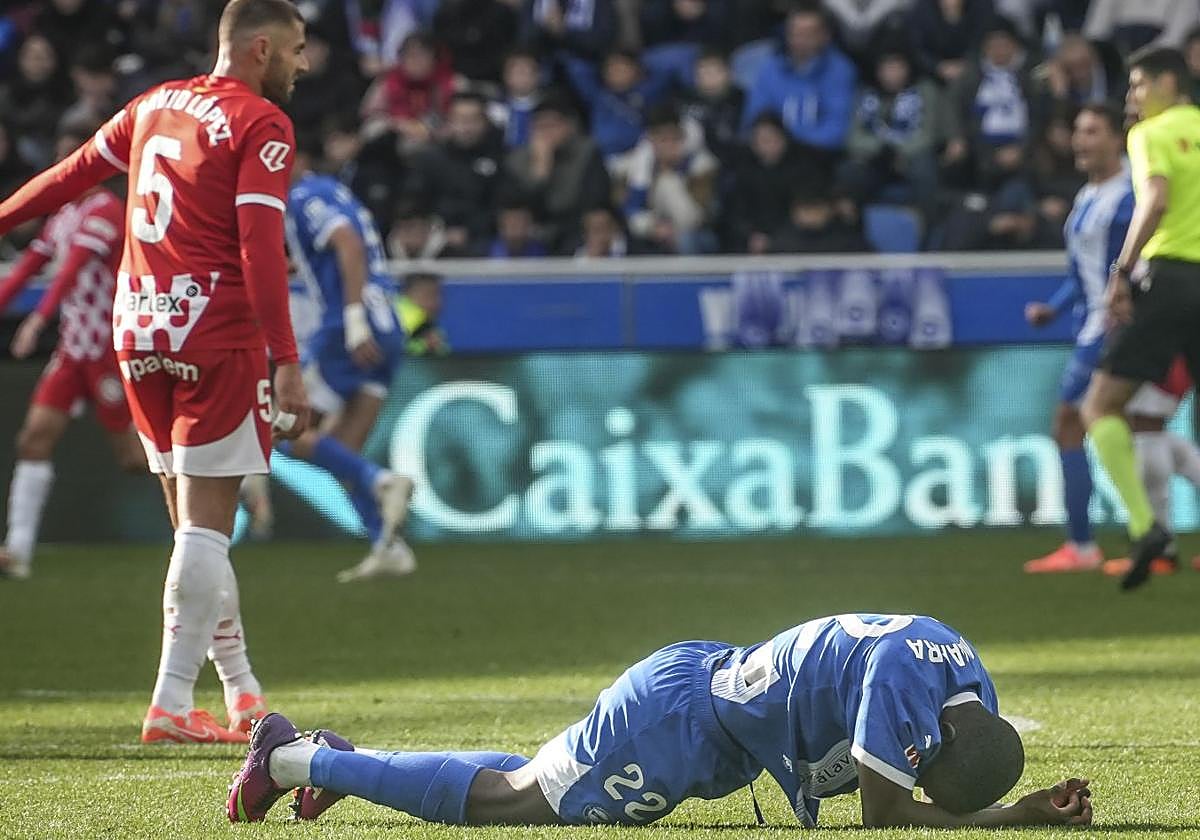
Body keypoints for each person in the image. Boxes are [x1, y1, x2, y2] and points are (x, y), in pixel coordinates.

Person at [0, 0, 313, 743]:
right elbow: (258, 247)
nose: (303, 64)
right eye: (297, 49)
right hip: (216, 333)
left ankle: (241, 691)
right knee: (207, 531)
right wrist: (287, 358)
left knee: (193, 532)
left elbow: (67, 177)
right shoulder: (261, 122)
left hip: (139, 328)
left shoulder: (153, 104)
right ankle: (171, 702)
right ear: (260, 48)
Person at [228, 613, 1094, 829]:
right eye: (921, 759)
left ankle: (345, 758)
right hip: (678, 727)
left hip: (705, 705)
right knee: (510, 803)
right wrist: (1012, 818)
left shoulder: (959, 670)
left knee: (539, 777)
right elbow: (886, 815)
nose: (911, 761)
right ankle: (296, 760)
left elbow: (922, 776)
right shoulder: (906, 694)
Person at [0, 121, 142, 581]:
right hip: (72, 350)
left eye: (71, 159)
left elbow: (73, 269)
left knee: (133, 458)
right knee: (34, 438)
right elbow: (28, 266)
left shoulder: (106, 210)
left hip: (108, 350)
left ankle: (218, 482)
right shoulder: (63, 215)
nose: (63, 168)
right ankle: (18, 551)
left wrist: (36, 320)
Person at [1081, 47, 1200, 591]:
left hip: (1171, 276)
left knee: (1100, 405)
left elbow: (1154, 199)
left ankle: (1143, 526)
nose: (1133, 97)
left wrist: (1122, 270)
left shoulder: (1151, 133)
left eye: (1138, 85)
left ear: (1168, 82)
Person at [282, 138, 416, 582]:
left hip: (350, 326)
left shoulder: (304, 196)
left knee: (285, 429)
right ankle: (387, 546)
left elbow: (347, 243)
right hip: (388, 323)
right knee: (341, 448)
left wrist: (354, 318)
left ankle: (382, 481)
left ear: (300, 159)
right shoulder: (333, 190)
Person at [1023, 104, 1133, 575]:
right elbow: (1082, 272)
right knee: (1138, 429)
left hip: (1113, 328)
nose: (1080, 140)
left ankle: (1084, 544)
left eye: (1092, 131)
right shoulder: (1089, 195)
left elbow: (1134, 266)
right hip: (1092, 324)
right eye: (1077, 131)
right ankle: (1097, 541)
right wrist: (1054, 307)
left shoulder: (1130, 197)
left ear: (1116, 139)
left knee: (1072, 421)